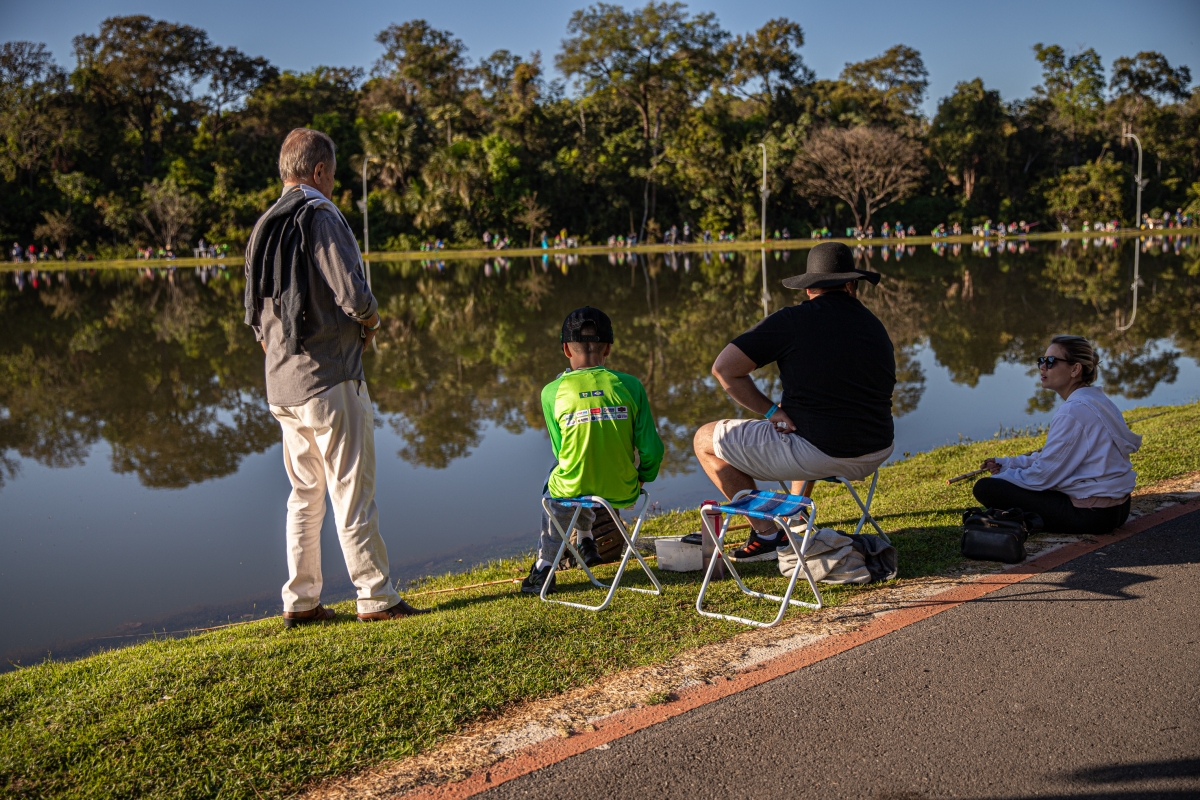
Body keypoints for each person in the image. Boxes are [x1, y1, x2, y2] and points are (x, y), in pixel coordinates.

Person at [245, 127, 428, 626]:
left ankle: (301, 602)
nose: (333, 183)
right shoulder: (319, 214)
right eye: (332, 174)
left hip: (282, 385)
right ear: (320, 170)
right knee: (352, 490)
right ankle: (375, 596)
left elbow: (256, 316)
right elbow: (352, 293)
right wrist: (372, 320)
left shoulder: (264, 225)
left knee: (304, 497)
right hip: (329, 379)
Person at [693, 241, 896, 561]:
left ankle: (767, 534)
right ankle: (796, 518)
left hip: (821, 451)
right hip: (877, 449)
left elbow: (724, 370)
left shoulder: (792, 320)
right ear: (851, 285)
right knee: (805, 421)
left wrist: (771, 411)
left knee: (704, 439)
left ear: (809, 288)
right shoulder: (873, 324)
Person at [521, 307, 665, 594]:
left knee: (556, 480)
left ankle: (544, 566)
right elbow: (652, 448)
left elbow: (562, 452)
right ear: (608, 348)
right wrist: (641, 478)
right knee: (578, 473)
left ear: (565, 349)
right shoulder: (630, 385)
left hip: (574, 488)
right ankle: (586, 540)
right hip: (623, 489)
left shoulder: (551, 391)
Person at [975, 336, 1140, 535]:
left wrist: (1003, 478)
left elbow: (1043, 476)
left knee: (986, 488)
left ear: (1075, 369)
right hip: (1119, 509)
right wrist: (1009, 464)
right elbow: (1056, 456)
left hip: (1092, 516)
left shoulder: (1073, 411)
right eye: (1041, 361)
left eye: (1051, 361)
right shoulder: (1097, 399)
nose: (1042, 367)